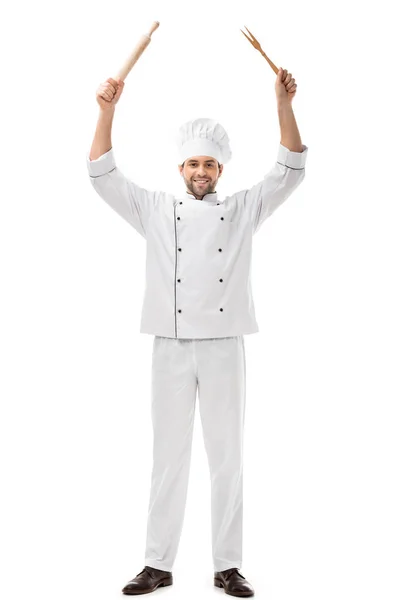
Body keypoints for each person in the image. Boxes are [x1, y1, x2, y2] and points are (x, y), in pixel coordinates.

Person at [86, 68, 308, 597]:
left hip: (226, 344)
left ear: (221, 168)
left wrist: (282, 103)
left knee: (226, 456)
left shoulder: (244, 209)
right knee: (168, 457)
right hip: (171, 343)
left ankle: (227, 565)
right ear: (180, 167)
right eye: (194, 163)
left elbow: (292, 168)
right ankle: (157, 564)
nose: (202, 171)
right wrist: (106, 110)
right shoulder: (156, 210)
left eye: (210, 163)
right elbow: (101, 173)